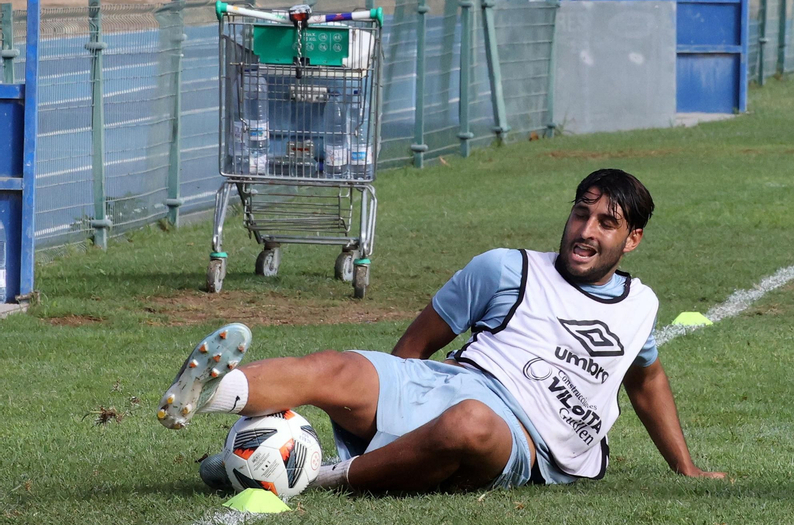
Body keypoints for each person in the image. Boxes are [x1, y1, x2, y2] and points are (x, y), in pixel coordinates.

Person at [160, 169, 725, 492]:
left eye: (606, 223)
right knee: (337, 365)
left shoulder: (639, 307)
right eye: (581, 213)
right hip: (447, 383)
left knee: (468, 423)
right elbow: (415, 348)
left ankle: (318, 474)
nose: (586, 231)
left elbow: (647, 380)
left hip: (520, 439)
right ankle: (212, 392)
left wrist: (685, 465)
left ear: (632, 239)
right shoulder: (506, 268)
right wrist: (384, 398)